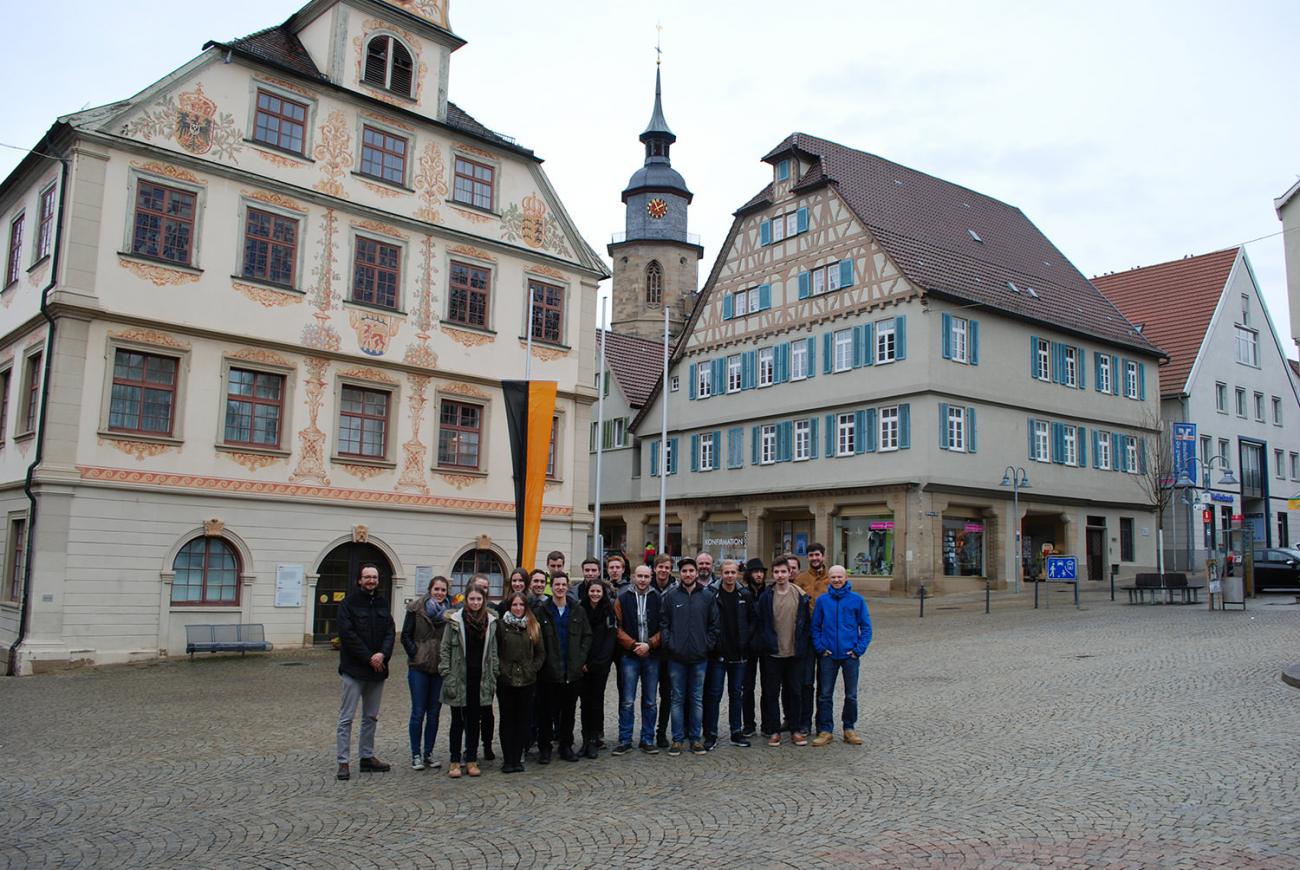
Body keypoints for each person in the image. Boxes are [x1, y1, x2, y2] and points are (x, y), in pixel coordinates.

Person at [335, 563, 395, 781]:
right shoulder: (348, 604)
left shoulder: (382, 602)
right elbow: (348, 635)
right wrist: (370, 657)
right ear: (359, 580)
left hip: (377, 670)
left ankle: (367, 757)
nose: (371, 580)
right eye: (367, 577)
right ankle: (343, 761)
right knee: (346, 718)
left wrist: (382, 654)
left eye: (374, 577)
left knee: (371, 717)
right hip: (354, 669)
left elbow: (390, 631)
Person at [660, 557, 719, 757]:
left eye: (691, 571)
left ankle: (695, 739)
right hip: (676, 657)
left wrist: (707, 645)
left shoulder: (708, 596)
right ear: (680, 574)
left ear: (696, 573)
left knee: (697, 699)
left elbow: (714, 625)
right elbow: (664, 623)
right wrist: (670, 644)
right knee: (677, 699)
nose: (688, 574)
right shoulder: (671, 596)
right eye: (684, 571)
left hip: (700, 657)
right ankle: (677, 740)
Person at [438, 583, 499, 778]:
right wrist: (446, 673)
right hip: (458, 676)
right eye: (472, 599)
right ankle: (455, 761)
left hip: (479, 677)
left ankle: (472, 759)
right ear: (466, 599)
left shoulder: (490, 622)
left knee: (474, 721)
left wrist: (493, 673)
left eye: (478, 599)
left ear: (484, 601)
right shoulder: (455, 621)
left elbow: (493, 651)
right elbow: (445, 648)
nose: (475, 602)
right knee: (457, 721)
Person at [811, 565, 872, 747]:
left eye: (839, 577)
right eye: (833, 577)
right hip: (828, 655)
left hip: (849, 655)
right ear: (828, 579)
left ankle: (849, 728)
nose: (836, 580)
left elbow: (866, 627)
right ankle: (826, 730)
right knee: (824, 695)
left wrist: (858, 650)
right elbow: (815, 627)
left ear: (846, 578)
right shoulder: (823, 601)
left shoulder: (857, 600)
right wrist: (821, 648)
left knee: (851, 695)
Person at [534, 573, 592, 763]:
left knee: (568, 713)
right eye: (556, 584)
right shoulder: (542, 611)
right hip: (549, 672)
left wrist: (580, 659)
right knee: (545, 713)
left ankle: (566, 746)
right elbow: (536, 640)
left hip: (571, 671)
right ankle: (545, 748)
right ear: (552, 587)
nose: (560, 588)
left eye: (563, 584)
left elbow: (586, 637)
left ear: (567, 587)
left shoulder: (577, 610)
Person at [756, 559, 811, 747]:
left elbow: (805, 624)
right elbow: (761, 623)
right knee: (771, 693)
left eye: (783, 572)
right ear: (773, 574)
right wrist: (767, 642)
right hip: (772, 653)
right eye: (777, 572)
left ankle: (795, 729)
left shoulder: (800, 595)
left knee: (795, 692)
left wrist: (802, 646)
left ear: (790, 573)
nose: (780, 575)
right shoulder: (766, 596)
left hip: (794, 653)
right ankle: (773, 730)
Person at [704, 559, 755, 750]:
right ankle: (711, 733)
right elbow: (706, 621)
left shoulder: (745, 594)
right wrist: (712, 643)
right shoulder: (711, 594)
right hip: (718, 655)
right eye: (726, 573)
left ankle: (736, 732)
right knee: (714, 695)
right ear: (721, 573)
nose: (730, 576)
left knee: (736, 695)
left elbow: (752, 620)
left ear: (738, 574)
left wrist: (746, 639)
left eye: (733, 572)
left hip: (739, 654)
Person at [401, 574, 449, 771]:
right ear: (430, 590)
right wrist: (416, 653)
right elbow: (405, 635)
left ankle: (428, 752)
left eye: (443, 590)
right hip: (419, 667)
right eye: (436, 589)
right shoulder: (416, 609)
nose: (439, 593)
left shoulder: (449, 613)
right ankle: (416, 754)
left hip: (438, 668)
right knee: (418, 712)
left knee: (435, 713)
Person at [612, 564, 662, 755]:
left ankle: (647, 739)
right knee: (627, 700)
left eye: (646, 576)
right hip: (629, 655)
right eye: (639, 576)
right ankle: (625, 739)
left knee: (650, 700)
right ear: (633, 577)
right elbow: (617, 627)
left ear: (651, 578)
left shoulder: (658, 598)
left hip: (652, 654)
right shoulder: (622, 598)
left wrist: (650, 644)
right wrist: (633, 645)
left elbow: (665, 625)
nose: (642, 580)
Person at [496, 591, 546, 773]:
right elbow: (496, 652)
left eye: (521, 605)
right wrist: (501, 670)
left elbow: (541, 653)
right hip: (506, 680)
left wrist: (533, 668)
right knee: (507, 720)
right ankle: (508, 759)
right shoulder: (501, 626)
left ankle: (518, 758)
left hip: (527, 680)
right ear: (510, 607)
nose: (518, 608)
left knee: (523, 720)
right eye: (515, 605)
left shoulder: (533, 626)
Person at [579, 578, 617, 758]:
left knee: (596, 702)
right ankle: (585, 739)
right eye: (592, 591)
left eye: (598, 592)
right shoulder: (580, 610)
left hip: (600, 665)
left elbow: (610, 640)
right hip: (583, 665)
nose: (595, 594)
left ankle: (595, 739)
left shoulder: (609, 611)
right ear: (588, 592)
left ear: (603, 594)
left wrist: (597, 663)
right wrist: (582, 662)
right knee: (584, 704)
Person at [794, 543, 829, 739]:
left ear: (823, 556)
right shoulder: (801, 579)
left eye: (817, 555)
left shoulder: (830, 578)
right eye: (811, 555)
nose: (814, 558)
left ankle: (823, 724)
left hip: (825, 636)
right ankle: (804, 722)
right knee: (806, 682)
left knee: (824, 684)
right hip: (807, 636)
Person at [740, 558, 768, 738]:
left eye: (761, 571)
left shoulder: (770, 592)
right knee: (747, 687)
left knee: (768, 687)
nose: (759, 574)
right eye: (755, 571)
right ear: (749, 574)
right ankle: (748, 723)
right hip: (748, 647)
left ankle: (767, 723)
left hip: (766, 646)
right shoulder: (743, 593)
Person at [652, 553, 676, 747]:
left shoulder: (676, 589)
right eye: (660, 567)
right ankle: (646, 734)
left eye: (667, 567)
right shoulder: (646, 586)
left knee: (667, 694)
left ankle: (661, 732)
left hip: (669, 651)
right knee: (649, 696)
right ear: (655, 568)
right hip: (650, 650)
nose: (663, 570)